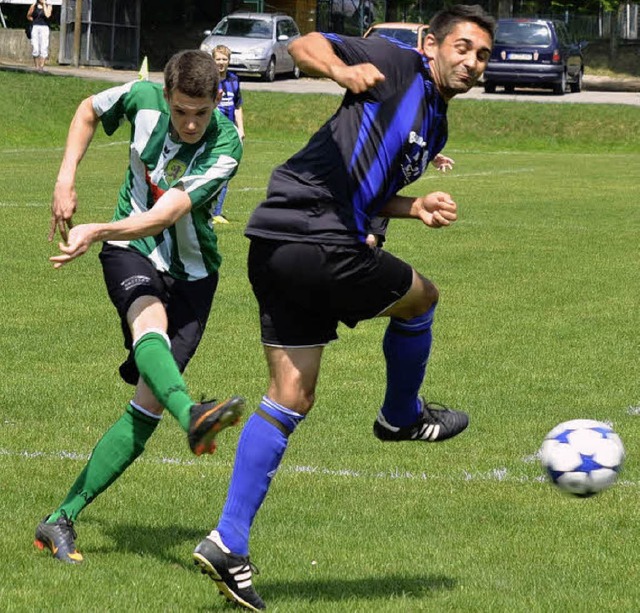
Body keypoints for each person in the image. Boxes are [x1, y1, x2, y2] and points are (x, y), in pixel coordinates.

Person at [191, 5, 494, 610]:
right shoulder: (393, 63)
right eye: (462, 47)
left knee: (291, 395)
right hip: (314, 234)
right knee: (422, 299)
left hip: (274, 242)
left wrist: (413, 208)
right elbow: (305, 44)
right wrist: (340, 70)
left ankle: (228, 540)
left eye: (482, 55)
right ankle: (400, 417)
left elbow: (372, 188)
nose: (472, 63)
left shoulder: (436, 125)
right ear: (432, 44)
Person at [34, 50, 246, 564]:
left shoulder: (227, 145)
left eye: (200, 111)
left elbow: (165, 213)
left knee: (146, 409)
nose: (191, 123)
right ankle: (193, 415)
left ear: (216, 100)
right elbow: (87, 109)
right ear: (167, 97)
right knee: (147, 322)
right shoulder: (142, 96)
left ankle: (58, 520)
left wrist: (96, 229)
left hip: (194, 276)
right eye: (181, 112)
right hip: (131, 251)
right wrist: (66, 178)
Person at [211, 44, 245, 225]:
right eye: (218, 59)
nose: (221, 63)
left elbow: (238, 106)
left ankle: (216, 212)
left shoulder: (234, 80)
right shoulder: (208, 80)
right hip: (213, 131)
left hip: (230, 132)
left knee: (227, 170)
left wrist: (241, 129)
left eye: (225, 59)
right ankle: (208, 209)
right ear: (212, 60)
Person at [27, 0, 52, 71]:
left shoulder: (48, 6)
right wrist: (33, 21)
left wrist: (44, 4)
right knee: (35, 48)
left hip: (44, 28)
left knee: (44, 47)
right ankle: (36, 67)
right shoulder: (34, 6)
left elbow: (48, 15)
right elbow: (28, 16)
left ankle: (41, 67)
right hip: (35, 27)